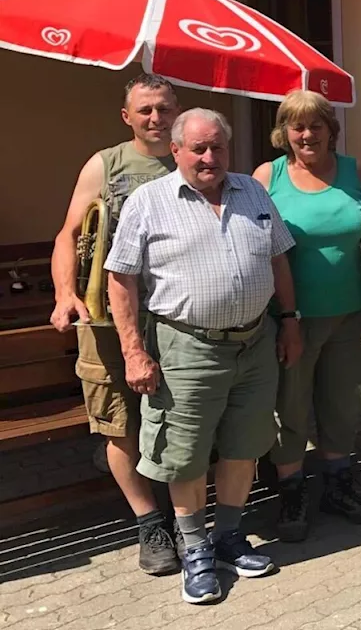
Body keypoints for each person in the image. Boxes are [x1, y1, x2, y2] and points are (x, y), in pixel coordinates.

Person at [104, 108, 301, 605]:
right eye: (198, 148)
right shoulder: (149, 202)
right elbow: (121, 279)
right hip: (186, 347)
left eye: (217, 147)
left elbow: (278, 256)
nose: (209, 157)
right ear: (176, 151)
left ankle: (229, 537)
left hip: (255, 342)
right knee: (185, 454)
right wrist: (133, 351)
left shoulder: (252, 191)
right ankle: (195, 550)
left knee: (244, 444)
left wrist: (291, 319)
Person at [49, 73, 181, 575]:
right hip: (105, 320)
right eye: (145, 110)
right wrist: (65, 294)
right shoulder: (105, 164)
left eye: (164, 109)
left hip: (174, 319)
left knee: (174, 419)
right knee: (120, 425)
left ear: (176, 111)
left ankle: (182, 515)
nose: (155, 118)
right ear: (127, 116)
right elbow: (68, 233)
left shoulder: (191, 157)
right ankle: (150, 523)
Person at [251, 90, 361, 542]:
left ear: (331, 129)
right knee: (289, 405)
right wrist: (279, 317)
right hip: (291, 319)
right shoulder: (267, 177)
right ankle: (291, 492)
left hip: (350, 313)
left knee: (344, 403)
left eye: (315, 125)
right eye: (297, 126)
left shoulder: (356, 173)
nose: (306, 134)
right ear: (285, 132)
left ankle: (338, 485)